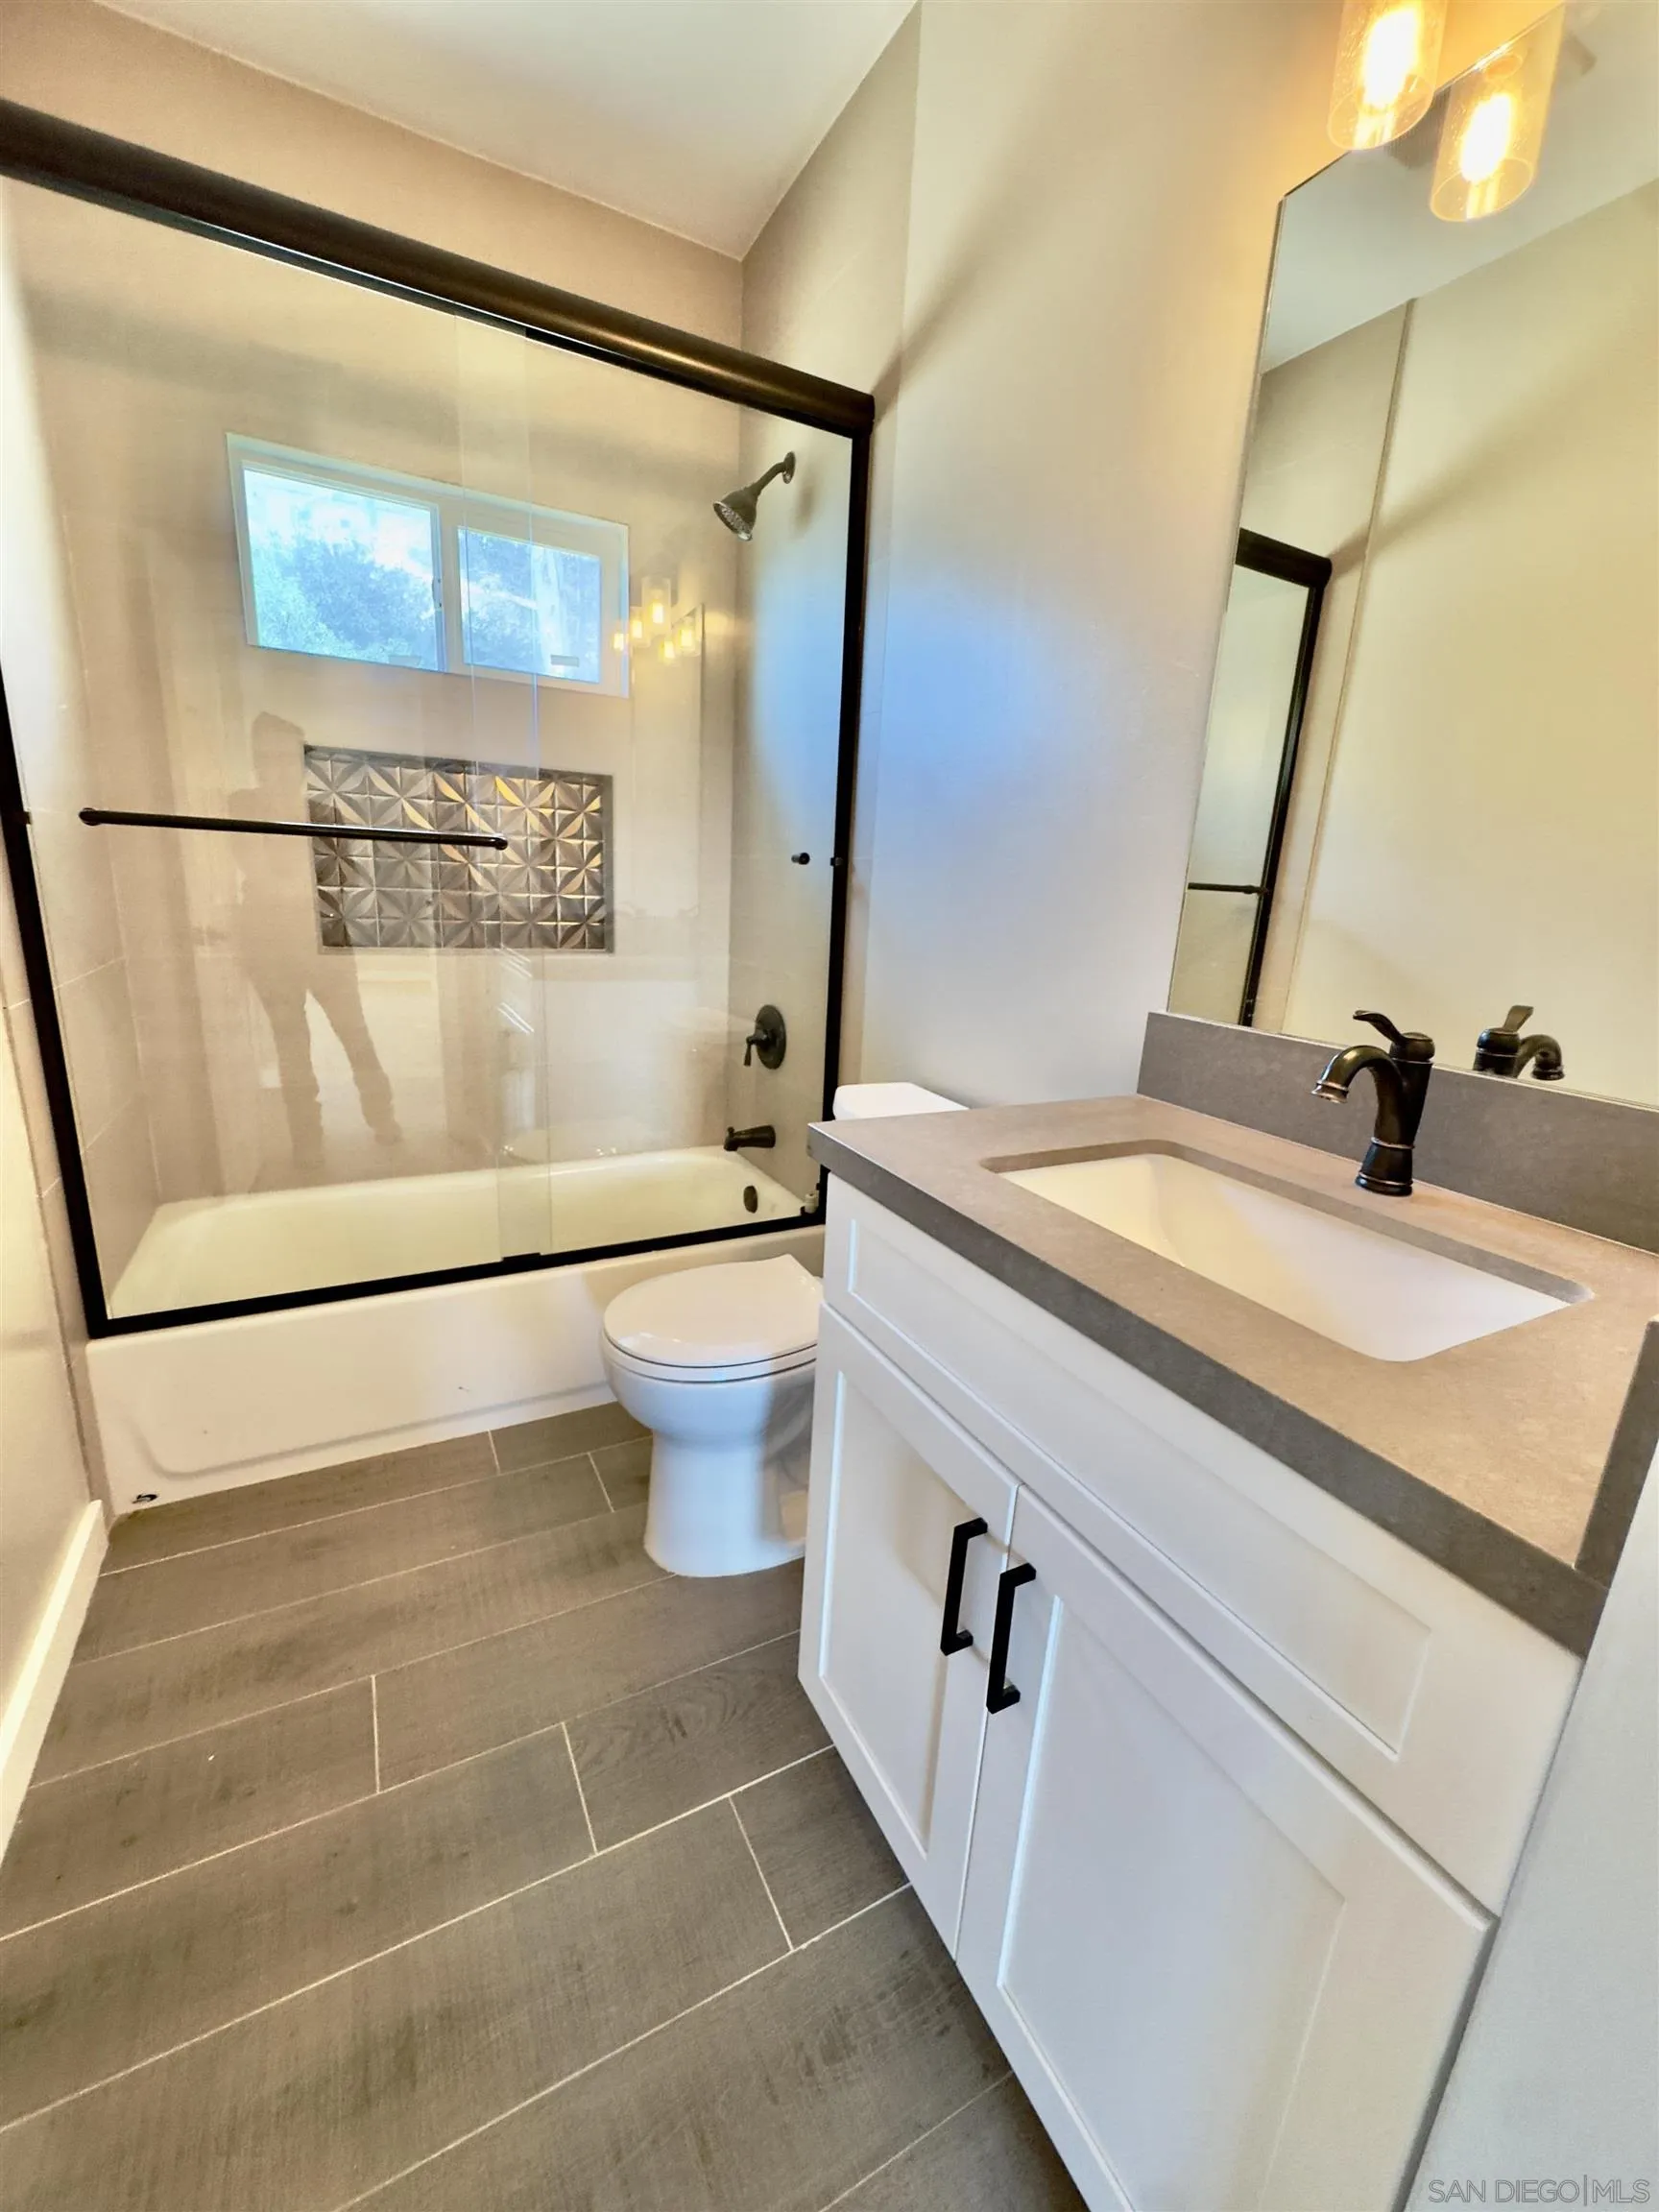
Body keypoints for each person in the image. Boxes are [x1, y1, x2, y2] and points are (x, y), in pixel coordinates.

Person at [228, 711, 400, 1170]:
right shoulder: (244, 807)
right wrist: (305, 888)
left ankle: (381, 1121)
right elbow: (274, 880)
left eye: (286, 759)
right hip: (277, 945)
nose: (276, 769)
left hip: (319, 943)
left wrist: (299, 889)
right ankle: (309, 1141)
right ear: (255, 761)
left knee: (354, 1037)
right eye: (266, 758)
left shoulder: (322, 814)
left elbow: (343, 881)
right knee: (294, 1049)